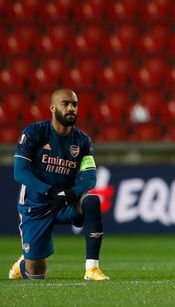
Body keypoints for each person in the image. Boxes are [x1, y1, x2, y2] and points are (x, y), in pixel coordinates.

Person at [8, 88, 109, 281]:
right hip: (35, 205)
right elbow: (19, 172)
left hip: (65, 201)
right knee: (36, 275)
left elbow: (90, 178)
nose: (71, 108)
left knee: (91, 201)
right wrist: (51, 191)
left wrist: (71, 193)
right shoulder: (34, 132)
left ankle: (92, 269)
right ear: (53, 108)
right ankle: (23, 264)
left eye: (75, 104)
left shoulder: (83, 140)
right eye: (66, 104)